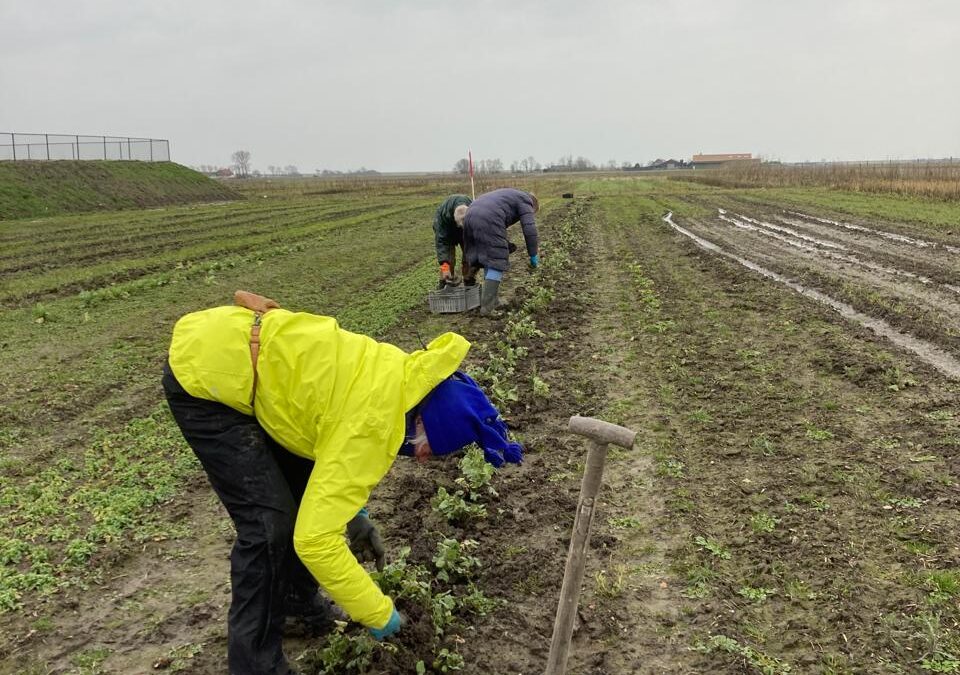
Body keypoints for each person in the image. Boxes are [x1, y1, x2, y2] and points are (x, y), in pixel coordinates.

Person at [161, 290, 522, 675]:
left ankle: (299, 604)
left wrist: (355, 516)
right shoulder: (374, 424)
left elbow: (332, 441)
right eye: (429, 449)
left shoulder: (398, 376)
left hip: (255, 363)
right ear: (425, 423)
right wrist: (379, 614)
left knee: (300, 491)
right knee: (269, 525)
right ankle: (255, 665)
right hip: (206, 375)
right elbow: (316, 540)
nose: (421, 457)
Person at [462, 188, 540, 315]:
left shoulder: (511, 195)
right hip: (489, 216)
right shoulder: (526, 201)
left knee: (489, 257)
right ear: (533, 205)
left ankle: (491, 300)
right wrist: (533, 255)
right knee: (496, 258)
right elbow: (530, 230)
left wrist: (506, 244)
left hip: (470, 214)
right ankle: (488, 306)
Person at [432, 194, 473, 288]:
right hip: (448, 233)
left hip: (466, 233)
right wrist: (445, 266)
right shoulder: (441, 220)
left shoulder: (473, 212)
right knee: (448, 261)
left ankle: (469, 281)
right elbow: (442, 244)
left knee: (470, 256)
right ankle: (445, 283)